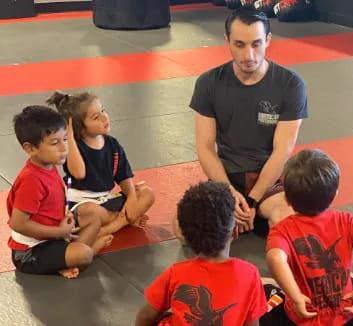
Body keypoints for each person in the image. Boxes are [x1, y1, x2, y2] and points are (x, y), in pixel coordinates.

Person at [187, 8, 308, 237]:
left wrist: (251, 201)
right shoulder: (208, 83)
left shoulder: (291, 85)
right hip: (226, 177)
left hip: (269, 180)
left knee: (288, 221)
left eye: (256, 44)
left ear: (268, 41)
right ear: (227, 41)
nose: (249, 55)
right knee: (185, 229)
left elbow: (283, 151)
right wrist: (230, 194)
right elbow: (205, 148)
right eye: (240, 44)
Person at [265, 149, 353, 325]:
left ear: (287, 199)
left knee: (265, 290)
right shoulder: (345, 221)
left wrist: (296, 297)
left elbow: (276, 258)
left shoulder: (282, 230)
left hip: (304, 318)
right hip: (347, 316)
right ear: (335, 195)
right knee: (351, 278)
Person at [135, 181, 267, 326]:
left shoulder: (176, 273)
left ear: (186, 236)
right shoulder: (250, 274)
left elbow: (145, 316)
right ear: (235, 230)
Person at [7, 106, 112, 279]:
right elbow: (18, 224)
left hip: (55, 234)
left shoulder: (49, 166)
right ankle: (88, 252)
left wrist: (66, 215)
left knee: (93, 217)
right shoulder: (31, 180)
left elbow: (51, 204)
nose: (64, 148)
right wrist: (60, 233)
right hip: (30, 251)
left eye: (65, 139)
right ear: (31, 148)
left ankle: (66, 259)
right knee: (83, 254)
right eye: (55, 143)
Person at [47, 91, 155, 237]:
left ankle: (109, 227)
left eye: (103, 110)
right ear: (79, 127)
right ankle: (124, 221)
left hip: (106, 198)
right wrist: (70, 136)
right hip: (81, 203)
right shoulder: (74, 148)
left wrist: (131, 198)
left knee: (147, 193)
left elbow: (123, 175)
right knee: (91, 213)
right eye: (96, 117)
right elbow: (79, 173)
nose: (104, 117)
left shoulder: (112, 144)